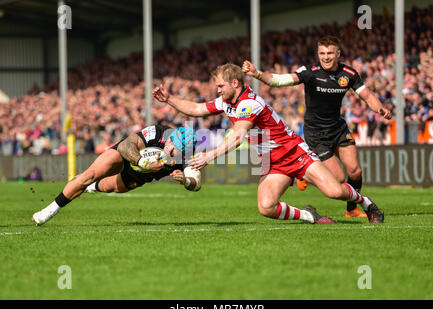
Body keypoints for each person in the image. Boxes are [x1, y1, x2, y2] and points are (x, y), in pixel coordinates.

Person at [153, 63, 385, 224]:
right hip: (273, 162)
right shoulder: (227, 102)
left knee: (334, 191)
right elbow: (197, 109)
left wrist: (208, 156)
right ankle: (309, 216)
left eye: (220, 86)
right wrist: (169, 100)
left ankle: (365, 202)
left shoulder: (249, 104)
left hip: (294, 152)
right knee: (266, 207)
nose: (218, 90)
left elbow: (237, 136)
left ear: (235, 82)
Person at [242, 35, 392, 218]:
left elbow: (367, 95)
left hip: (338, 127)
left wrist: (380, 108)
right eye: (322, 53)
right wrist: (257, 74)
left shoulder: (349, 74)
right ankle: (302, 174)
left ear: (338, 53)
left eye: (330, 53)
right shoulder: (310, 72)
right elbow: (279, 81)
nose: (326, 57)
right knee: (336, 179)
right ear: (318, 54)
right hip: (316, 133)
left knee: (355, 170)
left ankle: (351, 209)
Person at [32, 126, 200, 226]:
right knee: (90, 174)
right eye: (173, 152)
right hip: (128, 155)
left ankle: (90, 186)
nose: (173, 159)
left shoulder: (185, 155)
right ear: (170, 141)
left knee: (109, 187)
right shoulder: (158, 132)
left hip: (142, 175)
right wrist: (143, 162)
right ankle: (51, 209)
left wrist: (186, 181)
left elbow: (196, 183)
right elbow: (126, 145)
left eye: (178, 155)